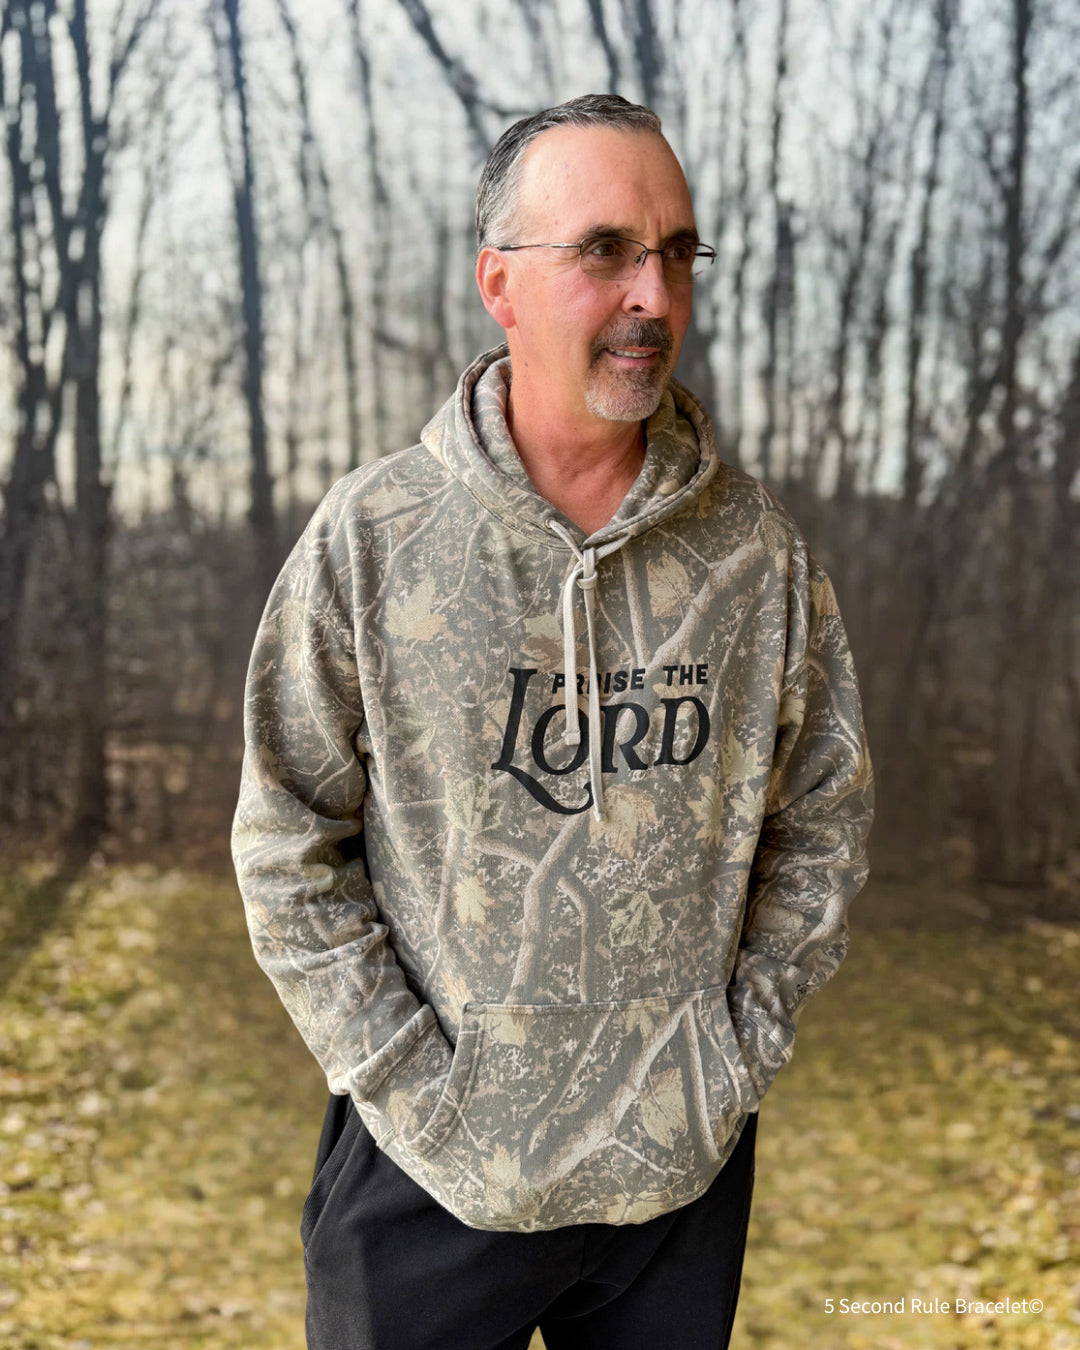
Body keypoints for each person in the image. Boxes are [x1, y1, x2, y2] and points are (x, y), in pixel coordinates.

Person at [232, 94, 873, 1350]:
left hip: (674, 1190)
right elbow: (285, 844)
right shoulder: (377, 542)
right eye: (605, 251)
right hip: (432, 1177)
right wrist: (418, 1091)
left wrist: (725, 1062)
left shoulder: (754, 557)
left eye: (676, 252)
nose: (654, 294)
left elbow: (825, 822)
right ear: (500, 285)